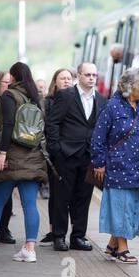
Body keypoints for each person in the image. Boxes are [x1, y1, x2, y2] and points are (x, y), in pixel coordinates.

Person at [91, 68, 139, 264]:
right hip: (117, 167)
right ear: (130, 87)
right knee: (121, 208)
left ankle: (112, 245)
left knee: (131, 208)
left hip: (137, 169)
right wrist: (99, 163)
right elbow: (98, 138)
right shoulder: (112, 107)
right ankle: (122, 249)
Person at [46, 62, 106, 251]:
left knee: (83, 197)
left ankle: (78, 236)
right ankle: (59, 236)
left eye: (94, 75)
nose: (91, 78)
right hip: (67, 154)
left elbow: (101, 129)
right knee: (62, 197)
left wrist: (100, 155)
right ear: (78, 75)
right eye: (87, 74)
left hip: (88, 156)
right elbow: (53, 123)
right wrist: (56, 149)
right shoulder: (66, 96)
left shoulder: (102, 100)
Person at [0, 62, 47, 262]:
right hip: (33, 159)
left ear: (14, 77)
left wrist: (2, 153)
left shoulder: (10, 95)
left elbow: (7, 126)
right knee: (30, 205)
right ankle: (30, 250)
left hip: (12, 158)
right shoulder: (36, 98)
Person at [39, 68, 74, 246]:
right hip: (54, 153)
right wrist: (55, 148)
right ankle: (54, 230)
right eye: (63, 78)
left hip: (71, 153)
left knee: (66, 195)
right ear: (55, 81)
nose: (67, 81)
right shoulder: (48, 102)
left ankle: (61, 231)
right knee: (56, 193)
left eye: (69, 78)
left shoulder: (77, 101)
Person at [0, 71, 16, 245]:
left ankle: (3, 229)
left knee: (6, 195)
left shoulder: (11, 102)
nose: (8, 86)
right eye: (5, 83)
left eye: (11, 83)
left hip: (4, 155)